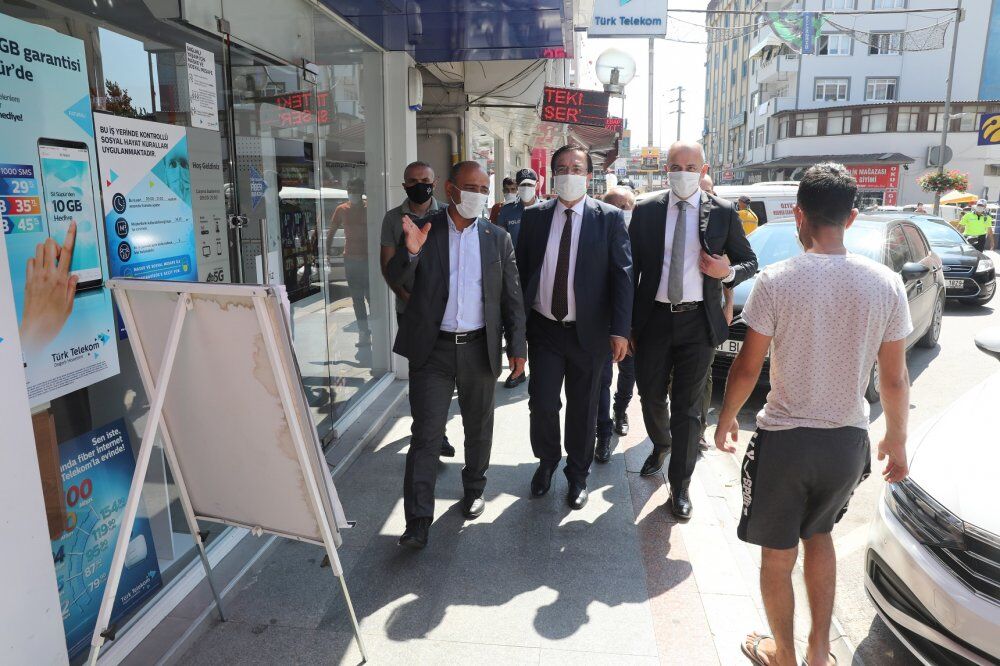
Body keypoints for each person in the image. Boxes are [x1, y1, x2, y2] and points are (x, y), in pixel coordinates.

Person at [714, 162, 911, 666]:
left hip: (786, 442)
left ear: (799, 215)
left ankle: (783, 653)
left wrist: (727, 416)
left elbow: (747, 367)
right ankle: (819, 651)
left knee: (778, 555)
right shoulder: (885, 283)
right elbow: (894, 379)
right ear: (851, 218)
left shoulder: (777, 280)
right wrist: (896, 439)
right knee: (819, 535)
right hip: (846, 442)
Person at [387, 161, 526, 549]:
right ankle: (418, 519)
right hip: (433, 351)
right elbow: (396, 277)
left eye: (483, 188)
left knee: (478, 427)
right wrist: (411, 252)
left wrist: (518, 348)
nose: (478, 195)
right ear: (450, 189)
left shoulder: (497, 238)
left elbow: (512, 298)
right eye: (471, 187)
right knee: (426, 434)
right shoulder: (424, 230)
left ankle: (474, 488)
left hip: (479, 348)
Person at [628, 140, 757, 520]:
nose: (682, 172)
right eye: (675, 165)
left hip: (698, 321)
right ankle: (661, 443)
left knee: (687, 408)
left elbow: (750, 261)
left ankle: (680, 485)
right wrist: (625, 325)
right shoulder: (647, 211)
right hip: (653, 319)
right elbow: (629, 269)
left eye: (690, 166)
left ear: (703, 171)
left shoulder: (722, 212)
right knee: (650, 394)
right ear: (665, 169)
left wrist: (726, 272)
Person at [516, 145, 632, 509]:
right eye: (562, 168)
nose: (569, 174)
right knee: (542, 402)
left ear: (589, 175)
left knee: (584, 408)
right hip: (545, 330)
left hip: (590, 333)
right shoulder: (534, 218)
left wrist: (620, 330)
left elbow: (623, 276)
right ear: (552, 175)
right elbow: (521, 273)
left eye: (576, 168)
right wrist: (515, 332)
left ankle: (578, 474)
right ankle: (547, 461)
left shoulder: (609, 218)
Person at [379, 161, 454, 458]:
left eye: (425, 179)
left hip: (444, 312)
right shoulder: (392, 218)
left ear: (434, 183)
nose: (419, 185)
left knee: (444, 376)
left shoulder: (448, 213)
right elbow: (387, 266)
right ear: (404, 185)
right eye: (412, 180)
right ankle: (424, 432)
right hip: (410, 310)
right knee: (421, 375)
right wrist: (406, 297)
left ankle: (439, 432)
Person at [595, 186, 638, 461]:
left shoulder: (643, 237)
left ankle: (620, 410)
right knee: (602, 379)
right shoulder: (596, 234)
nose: (622, 212)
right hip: (600, 324)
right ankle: (602, 432)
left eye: (627, 207)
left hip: (632, 323)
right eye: (616, 206)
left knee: (628, 372)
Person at [497, 168, 540, 389]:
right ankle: (517, 369)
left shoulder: (547, 210)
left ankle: (540, 367)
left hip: (539, 276)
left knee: (538, 323)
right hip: (512, 275)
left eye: (529, 185)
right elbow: (498, 243)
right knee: (513, 321)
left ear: (537, 185)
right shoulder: (507, 212)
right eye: (521, 185)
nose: (525, 189)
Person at [328, 179, 372, 349]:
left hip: (369, 259)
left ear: (362, 190)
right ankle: (363, 333)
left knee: (372, 297)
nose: (353, 193)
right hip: (351, 259)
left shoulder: (370, 207)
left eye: (356, 189)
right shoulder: (341, 209)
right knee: (357, 298)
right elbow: (331, 231)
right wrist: (326, 253)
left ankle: (378, 330)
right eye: (350, 189)